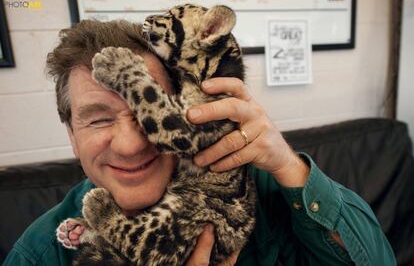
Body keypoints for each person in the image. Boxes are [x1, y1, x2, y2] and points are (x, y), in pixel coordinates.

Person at [4, 20, 395, 266]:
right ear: (72, 136)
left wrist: (288, 165)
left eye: (146, 109)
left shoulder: (258, 190)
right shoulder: (40, 252)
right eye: (100, 119)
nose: (129, 145)